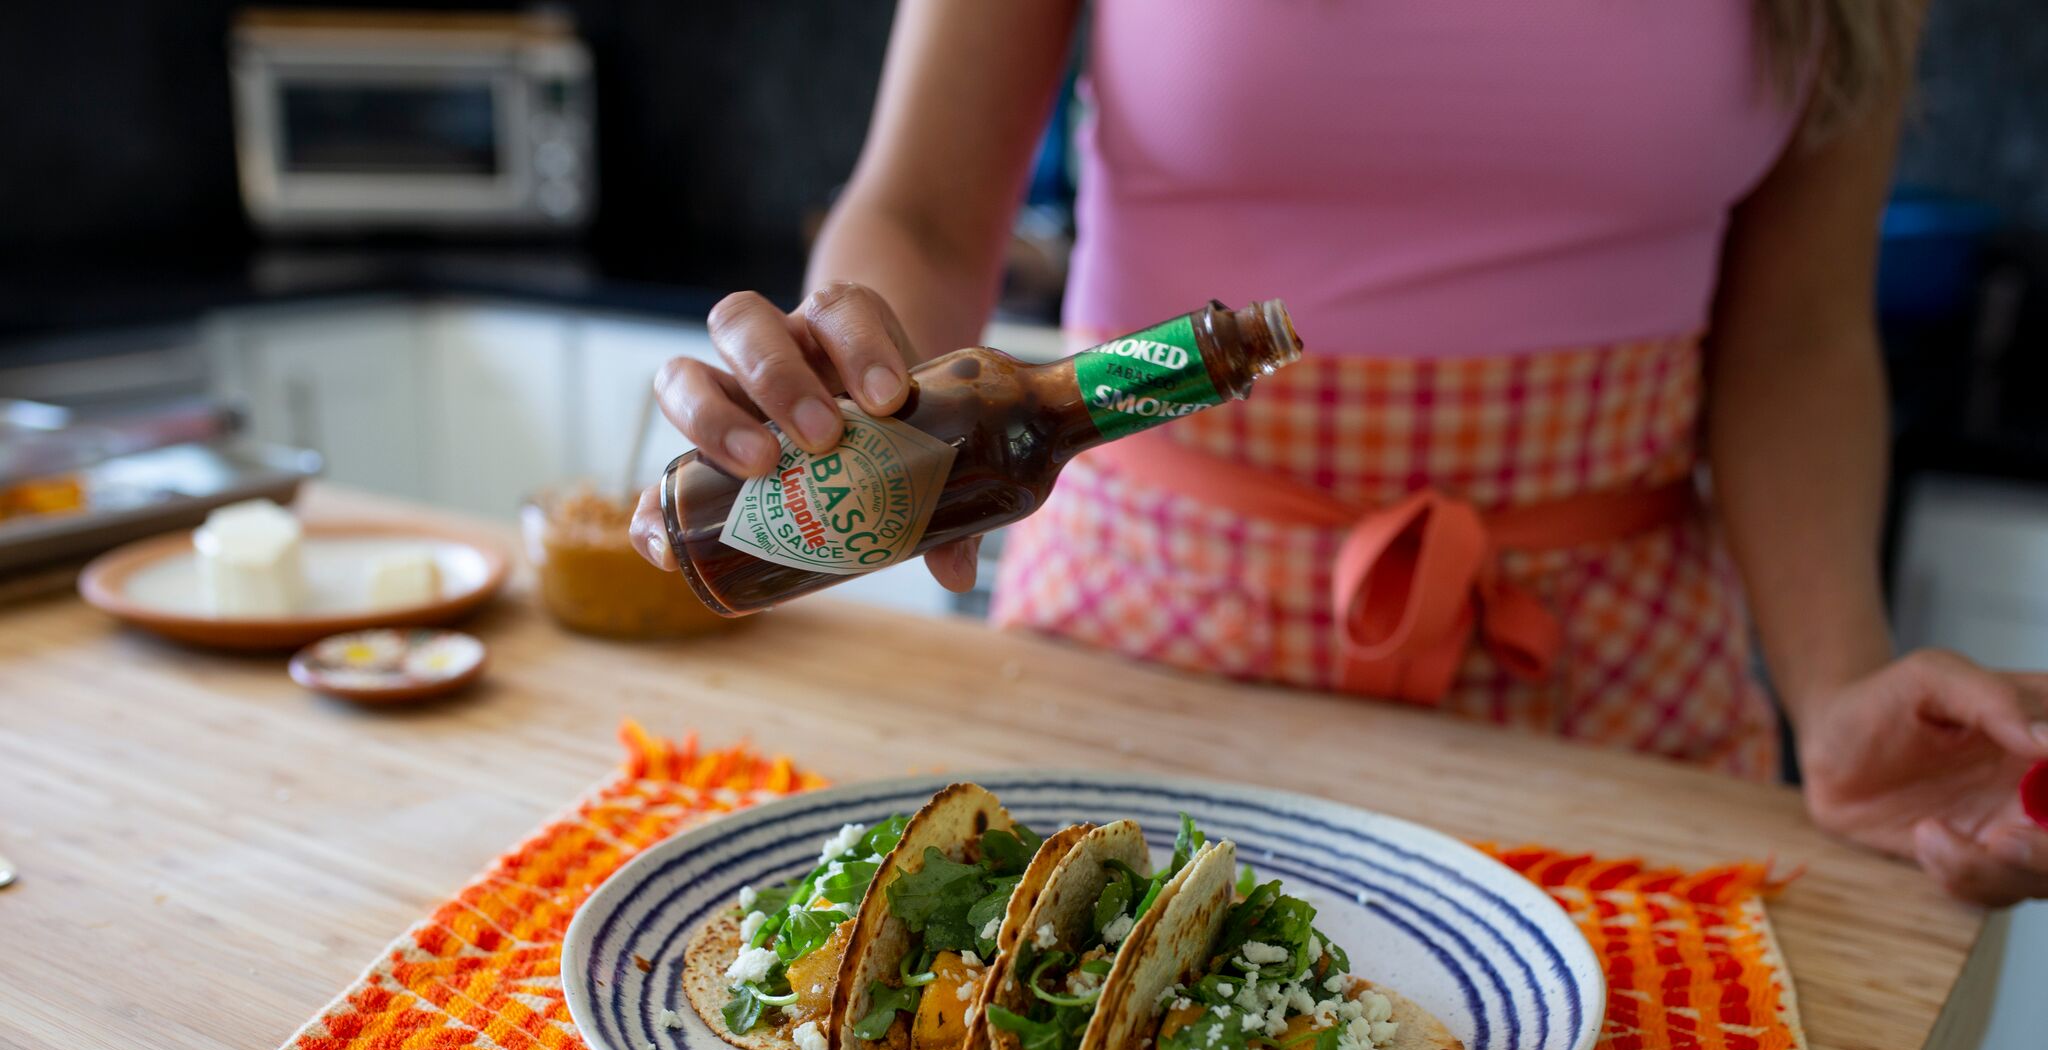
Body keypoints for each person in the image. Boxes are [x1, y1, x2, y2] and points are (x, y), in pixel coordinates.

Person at [632, 1, 2048, 907]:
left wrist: (1843, 683)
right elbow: (926, 218)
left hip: (1611, 710)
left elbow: (1796, 335)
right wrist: (851, 371)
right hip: (1134, 665)